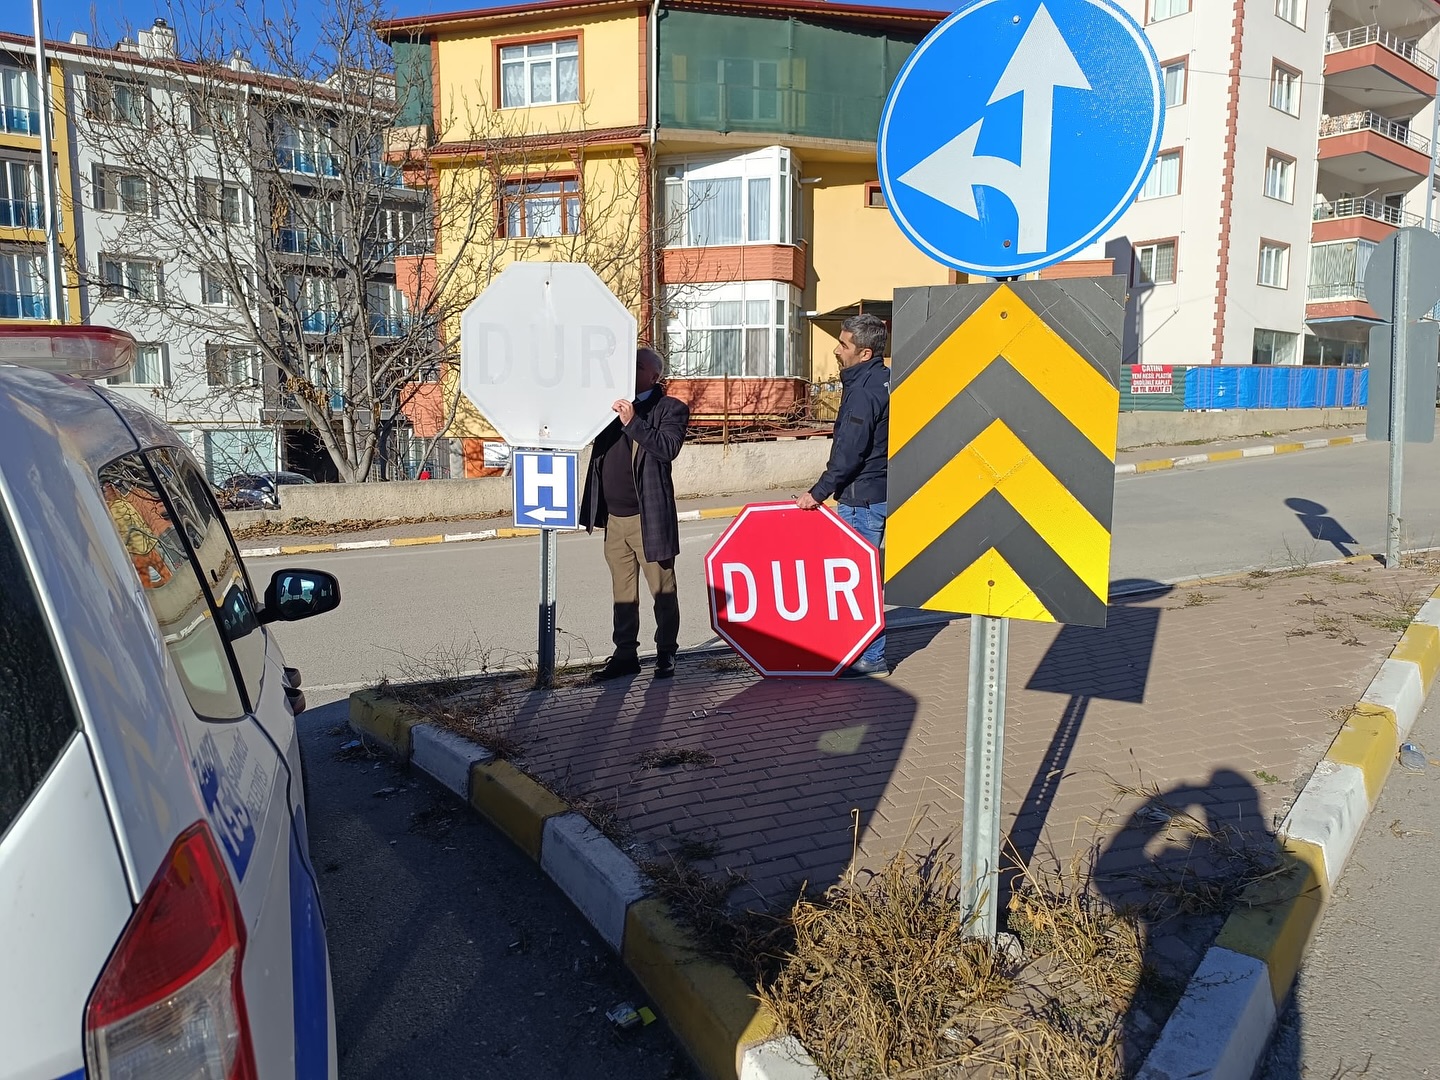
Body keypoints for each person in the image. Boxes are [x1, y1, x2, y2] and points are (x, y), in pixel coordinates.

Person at [580, 346, 690, 681]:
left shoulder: (670, 408)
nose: (629, 369)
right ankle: (625, 655)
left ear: (654, 376)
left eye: (637, 366)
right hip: (614, 519)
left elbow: (666, 448)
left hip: (648, 518)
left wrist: (632, 421)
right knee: (623, 595)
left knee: (663, 591)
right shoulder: (610, 407)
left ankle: (666, 652)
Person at [796, 313, 890, 678]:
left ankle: (871, 655)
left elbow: (850, 451)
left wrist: (817, 493)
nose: (837, 350)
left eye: (843, 344)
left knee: (859, 581)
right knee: (863, 576)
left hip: (861, 498)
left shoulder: (864, 391)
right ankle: (860, 649)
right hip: (875, 492)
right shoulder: (883, 380)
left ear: (864, 353)